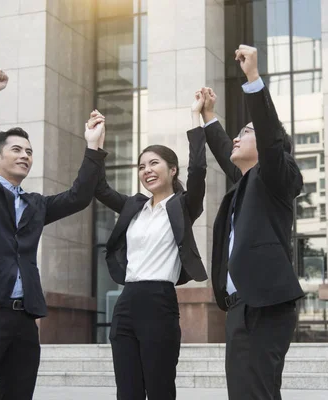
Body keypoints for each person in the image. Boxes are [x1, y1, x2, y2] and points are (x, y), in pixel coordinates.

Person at [0, 69, 106, 400]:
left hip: (24, 317)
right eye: (17, 150)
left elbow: (79, 197)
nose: (25, 156)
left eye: (29, 152)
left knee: (19, 393)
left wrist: (93, 146)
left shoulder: (36, 204)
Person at [89, 91, 209, 400]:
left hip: (159, 302)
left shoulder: (183, 205)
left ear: (172, 170)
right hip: (127, 302)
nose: (147, 171)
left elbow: (198, 172)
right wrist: (94, 145)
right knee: (127, 391)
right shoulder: (134, 206)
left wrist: (196, 118)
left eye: (154, 163)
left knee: (159, 388)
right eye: (141, 166)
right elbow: (99, 187)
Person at [200, 45, 305, 400]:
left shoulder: (276, 175)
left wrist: (253, 79)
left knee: (255, 394)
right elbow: (225, 153)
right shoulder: (246, 182)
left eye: (245, 131)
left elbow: (272, 137)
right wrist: (209, 117)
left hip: (264, 304)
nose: (237, 137)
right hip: (240, 306)